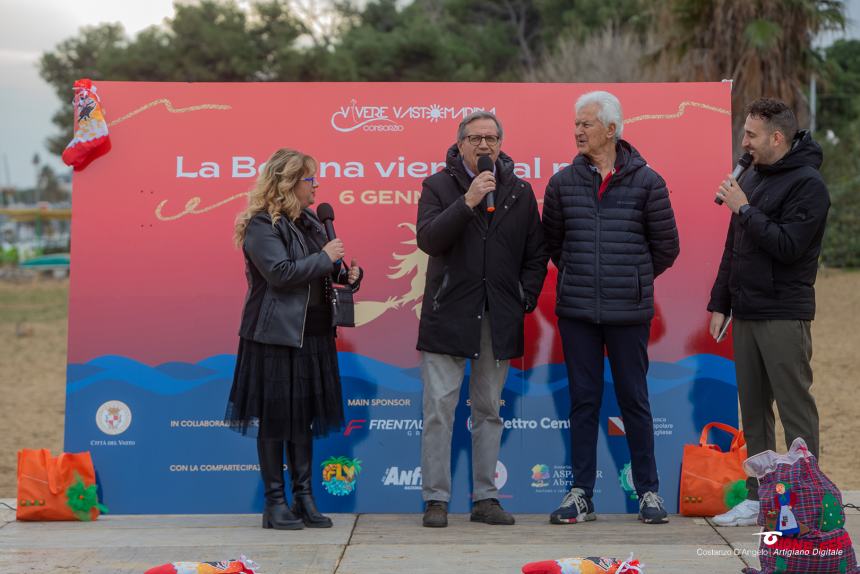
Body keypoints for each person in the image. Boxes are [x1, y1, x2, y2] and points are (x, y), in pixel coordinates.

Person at [542, 91, 679, 525]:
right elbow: (554, 246)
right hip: (578, 314)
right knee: (583, 401)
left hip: (629, 314)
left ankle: (649, 493)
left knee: (634, 400)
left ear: (611, 129)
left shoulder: (648, 182)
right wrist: (586, 278)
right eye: (576, 124)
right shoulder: (562, 183)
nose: (577, 131)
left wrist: (630, 280)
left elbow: (667, 249)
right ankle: (581, 493)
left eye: (586, 124)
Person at [417, 111, 548, 528]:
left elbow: (536, 253)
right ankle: (435, 499)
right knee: (439, 409)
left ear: (501, 144)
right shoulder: (437, 186)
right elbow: (430, 239)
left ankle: (485, 498)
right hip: (448, 313)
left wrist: (523, 297)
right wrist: (468, 200)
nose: (485, 146)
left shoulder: (520, 191)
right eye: (475, 138)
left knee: (489, 409)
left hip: (499, 315)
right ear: (459, 145)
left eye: (492, 138)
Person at [225, 148, 362, 530]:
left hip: (313, 335)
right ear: (288, 182)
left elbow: (317, 274)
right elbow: (281, 273)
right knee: (275, 420)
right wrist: (324, 257)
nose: (315, 185)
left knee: (302, 420)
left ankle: (304, 498)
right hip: (275, 337)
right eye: (310, 179)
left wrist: (345, 276)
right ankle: (274, 503)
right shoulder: (261, 224)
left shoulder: (311, 223)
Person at [708, 98, 829, 527]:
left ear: (777, 138)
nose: (744, 143)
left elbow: (787, 246)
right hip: (747, 310)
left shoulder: (808, 185)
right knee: (755, 411)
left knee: (795, 410)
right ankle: (762, 499)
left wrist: (743, 207)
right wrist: (720, 301)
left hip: (783, 312)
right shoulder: (754, 176)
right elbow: (734, 245)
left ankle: (804, 500)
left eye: (751, 136)